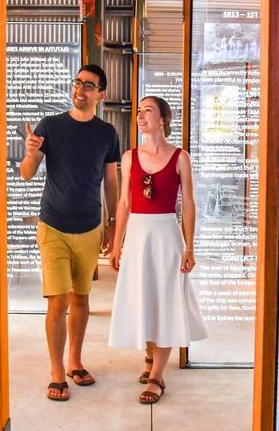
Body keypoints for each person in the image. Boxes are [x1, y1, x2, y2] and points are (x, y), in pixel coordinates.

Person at [20, 64, 120, 402]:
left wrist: (112, 223)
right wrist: (30, 153)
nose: (80, 89)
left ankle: (75, 361)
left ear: (101, 94)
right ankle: (56, 371)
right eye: (77, 83)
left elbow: (111, 182)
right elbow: (26, 173)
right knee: (58, 300)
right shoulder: (50, 126)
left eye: (89, 85)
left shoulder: (107, 133)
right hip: (54, 226)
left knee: (81, 298)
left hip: (90, 227)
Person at [108, 96, 208, 404]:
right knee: (145, 297)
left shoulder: (180, 157)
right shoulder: (129, 157)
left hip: (167, 235)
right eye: (139, 111)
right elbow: (124, 202)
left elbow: (188, 203)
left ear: (163, 118)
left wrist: (189, 247)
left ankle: (156, 376)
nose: (140, 115)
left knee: (166, 300)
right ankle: (150, 358)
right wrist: (116, 243)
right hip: (138, 235)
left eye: (147, 110)